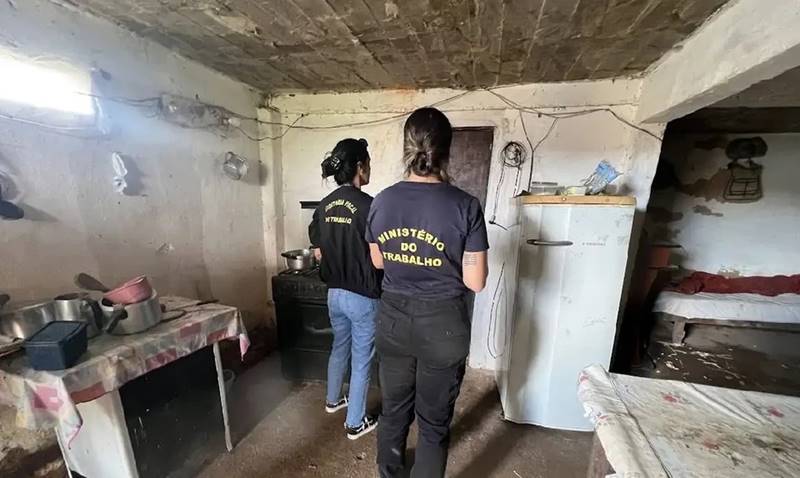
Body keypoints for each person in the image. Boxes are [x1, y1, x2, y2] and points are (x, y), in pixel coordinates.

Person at [366, 108, 489, 477]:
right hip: (443, 324)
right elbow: (476, 282)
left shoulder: (382, 201)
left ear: (407, 146)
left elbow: (378, 261)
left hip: (393, 320)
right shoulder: (465, 205)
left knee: (393, 411)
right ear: (446, 151)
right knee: (433, 423)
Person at [309, 138, 382, 440]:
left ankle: (332, 400)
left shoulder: (324, 205)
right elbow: (379, 259)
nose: (369, 169)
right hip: (362, 296)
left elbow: (317, 252)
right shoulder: (369, 206)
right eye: (368, 164)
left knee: (339, 346)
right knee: (362, 358)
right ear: (360, 167)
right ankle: (355, 423)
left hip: (334, 294)